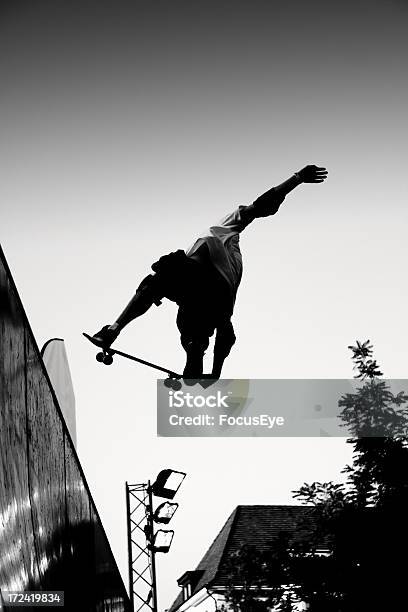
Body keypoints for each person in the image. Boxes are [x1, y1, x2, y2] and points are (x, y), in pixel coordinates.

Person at [92, 164, 328, 379]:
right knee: (199, 330)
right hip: (216, 298)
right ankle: (195, 355)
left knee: (157, 282)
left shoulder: (227, 228)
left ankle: (113, 330)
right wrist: (215, 374)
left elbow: (262, 204)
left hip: (196, 275)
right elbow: (227, 334)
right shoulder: (237, 269)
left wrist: (296, 179)